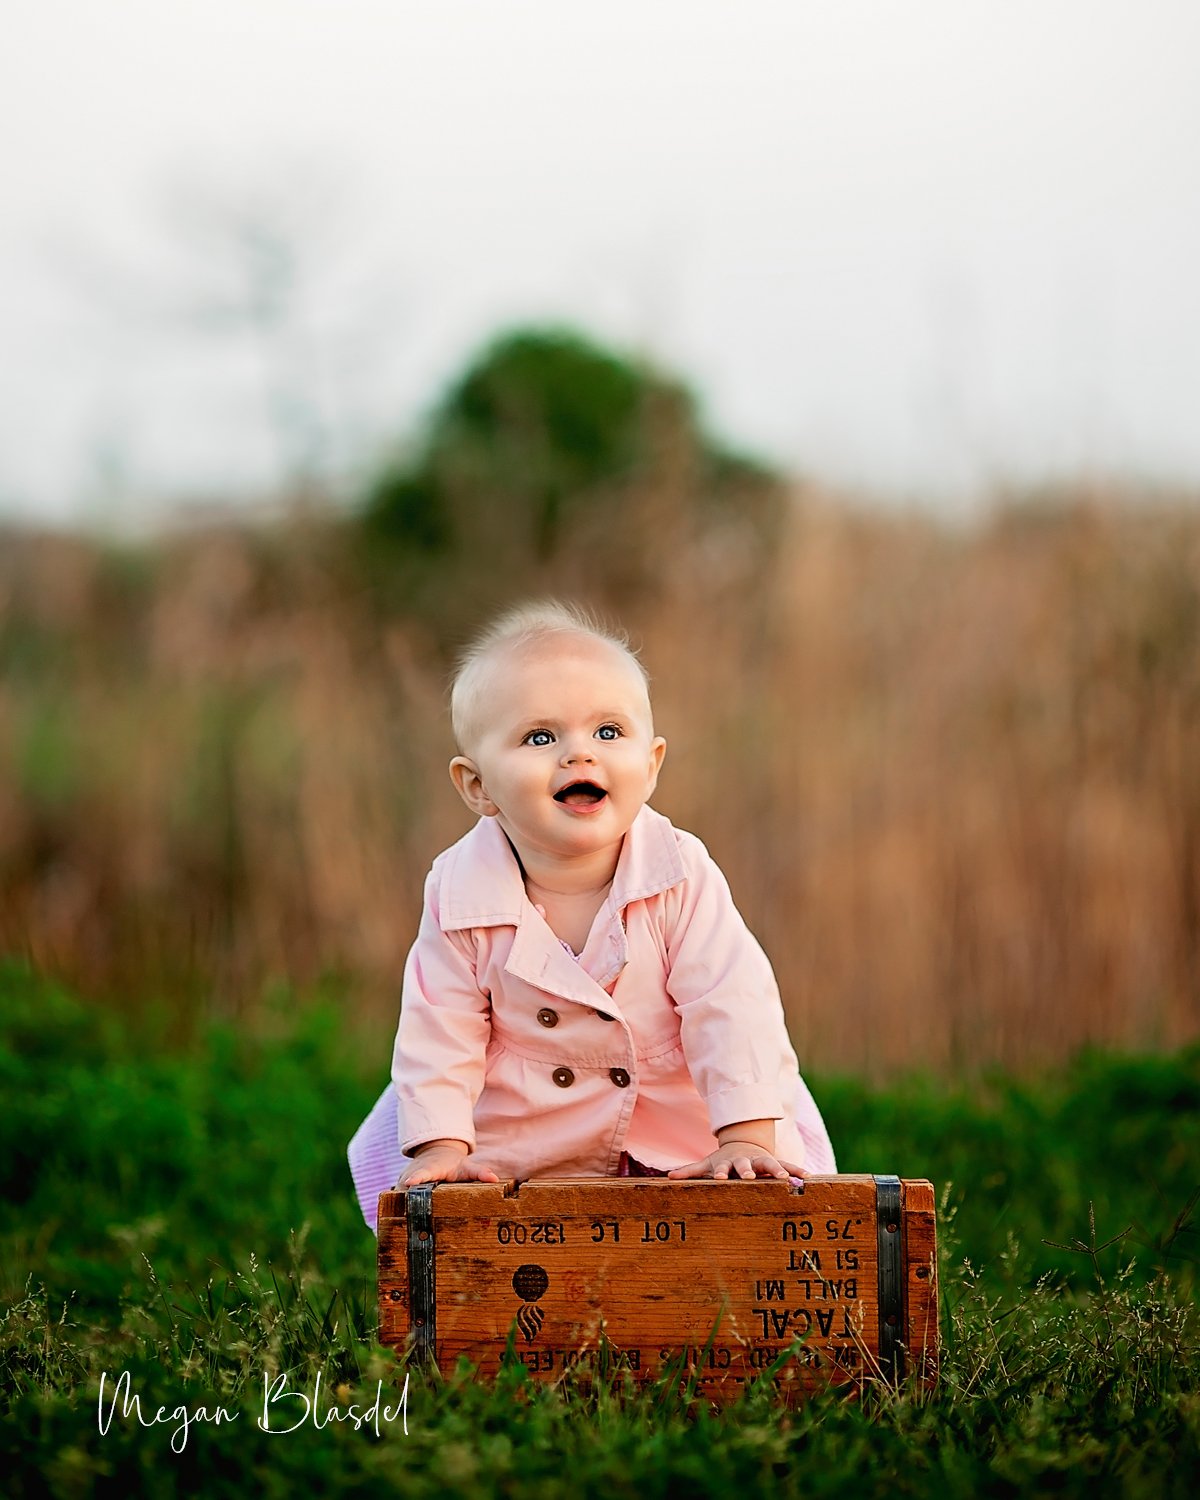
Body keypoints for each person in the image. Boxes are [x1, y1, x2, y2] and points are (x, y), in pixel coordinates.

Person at [348, 601, 835, 1229]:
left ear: (652, 763)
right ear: (477, 787)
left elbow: (730, 1002)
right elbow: (439, 1025)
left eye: (608, 732)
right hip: (526, 1124)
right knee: (493, 1220)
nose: (579, 755)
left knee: (715, 1214)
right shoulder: (459, 892)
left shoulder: (679, 874)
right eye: (540, 737)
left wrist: (744, 1135)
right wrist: (444, 1145)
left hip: (673, 1115)